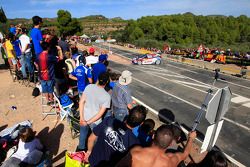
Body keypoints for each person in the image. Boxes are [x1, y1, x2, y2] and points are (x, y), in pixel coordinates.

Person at [116, 125, 196, 167]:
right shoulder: (171, 160)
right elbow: (185, 154)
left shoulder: (136, 152)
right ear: (170, 144)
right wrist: (191, 138)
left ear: (153, 136)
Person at [77, 72, 111, 151]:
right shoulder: (107, 96)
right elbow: (100, 114)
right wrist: (88, 122)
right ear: (107, 82)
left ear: (98, 79)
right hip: (95, 121)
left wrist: (82, 118)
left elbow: (81, 102)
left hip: (84, 117)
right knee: (94, 140)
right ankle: (91, 153)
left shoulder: (89, 87)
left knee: (82, 135)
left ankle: (80, 151)